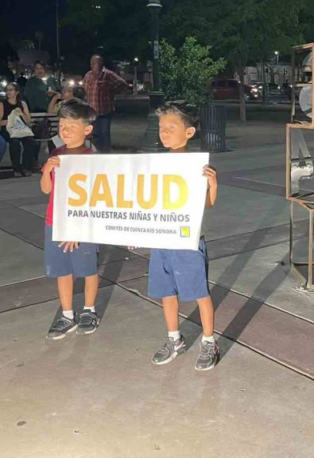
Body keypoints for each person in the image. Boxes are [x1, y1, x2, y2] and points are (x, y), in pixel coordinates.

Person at [137, 101, 219, 371]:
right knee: (165, 291)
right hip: (162, 240)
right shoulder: (154, 164)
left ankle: (209, 341)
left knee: (199, 291)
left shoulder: (196, 166)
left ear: (189, 132)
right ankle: (174, 339)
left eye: (171, 127)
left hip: (188, 239)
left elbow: (207, 204)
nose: (165, 131)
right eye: (162, 127)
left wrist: (212, 183)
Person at [40, 98, 100, 340]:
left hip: (83, 225)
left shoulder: (93, 158)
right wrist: (47, 170)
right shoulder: (56, 153)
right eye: (62, 126)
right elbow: (46, 189)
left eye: (71, 127)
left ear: (87, 130)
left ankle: (89, 310)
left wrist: (76, 228)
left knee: (87, 268)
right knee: (62, 270)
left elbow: (96, 197)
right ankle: (67, 314)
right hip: (54, 221)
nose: (65, 131)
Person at [82, 54, 130, 153]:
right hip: (92, 112)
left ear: (100, 63)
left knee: (104, 134)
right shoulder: (88, 75)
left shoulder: (108, 74)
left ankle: (105, 154)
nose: (92, 65)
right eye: (91, 63)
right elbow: (84, 89)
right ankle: (95, 153)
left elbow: (123, 84)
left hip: (104, 110)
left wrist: (113, 92)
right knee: (93, 135)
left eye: (94, 63)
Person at [0, 82, 36, 177]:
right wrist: (11, 120)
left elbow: (28, 121)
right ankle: (16, 168)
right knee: (14, 142)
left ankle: (26, 167)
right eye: (7, 90)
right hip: (8, 130)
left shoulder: (22, 104)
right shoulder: (2, 104)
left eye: (11, 90)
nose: (8, 92)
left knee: (30, 141)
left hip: (21, 129)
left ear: (17, 92)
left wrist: (21, 114)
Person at [47, 84, 90, 153]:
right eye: (63, 90)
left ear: (71, 93)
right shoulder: (62, 103)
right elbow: (50, 111)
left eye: (65, 91)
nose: (62, 92)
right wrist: (55, 98)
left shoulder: (78, 105)